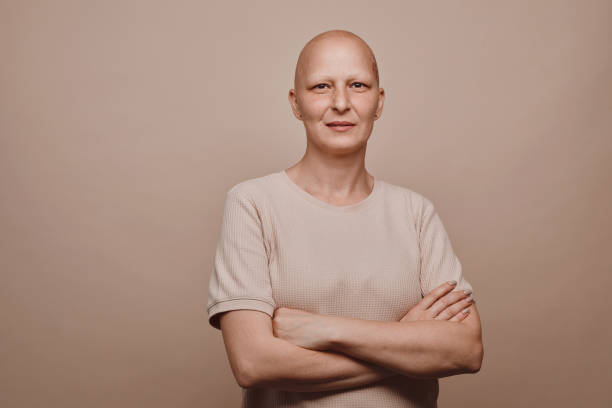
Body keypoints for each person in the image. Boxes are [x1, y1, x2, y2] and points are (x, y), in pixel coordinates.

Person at [207, 29, 483, 407]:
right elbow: (254, 363)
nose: (340, 102)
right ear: (295, 102)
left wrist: (327, 330)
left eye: (358, 85)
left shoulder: (416, 213)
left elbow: (466, 350)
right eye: (321, 86)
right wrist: (406, 342)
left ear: (379, 101)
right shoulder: (252, 204)